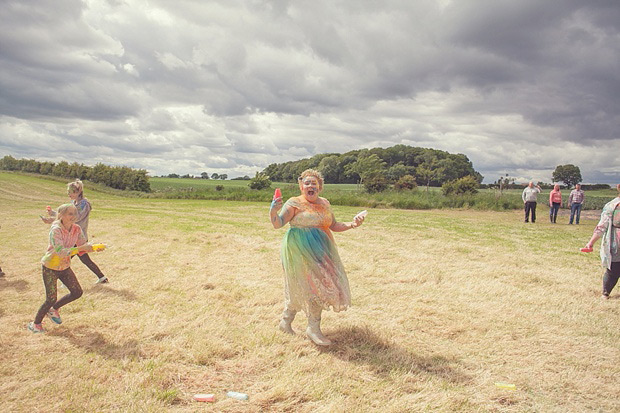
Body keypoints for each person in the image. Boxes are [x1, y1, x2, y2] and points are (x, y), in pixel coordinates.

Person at [269, 169, 365, 346]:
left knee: (317, 287)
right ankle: (313, 329)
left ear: (320, 187)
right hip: (298, 252)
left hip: (322, 251)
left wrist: (352, 224)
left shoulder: (325, 203)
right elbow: (278, 224)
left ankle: (285, 322)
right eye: (307, 183)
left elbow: (333, 224)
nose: (310, 185)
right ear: (301, 186)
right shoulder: (294, 203)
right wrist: (273, 211)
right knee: (311, 287)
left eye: (314, 183)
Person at [28, 203, 103, 333]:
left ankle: (54, 310)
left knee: (77, 292)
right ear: (61, 215)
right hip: (50, 267)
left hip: (64, 266)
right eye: (70, 214)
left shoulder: (76, 229)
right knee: (50, 298)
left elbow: (82, 245)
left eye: (75, 214)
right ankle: (35, 324)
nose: (73, 216)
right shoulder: (56, 229)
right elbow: (59, 251)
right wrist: (81, 248)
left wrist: (94, 248)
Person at [43, 179, 108, 283]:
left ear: (78, 192)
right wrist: (52, 214)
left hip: (78, 236)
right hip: (71, 236)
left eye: (71, 192)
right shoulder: (73, 203)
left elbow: (74, 218)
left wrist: (52, 217)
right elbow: (65, 215)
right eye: (68, 191)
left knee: (65, 257)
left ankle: (64, 280)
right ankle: (102, 277)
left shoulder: (84, 204)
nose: (68, 194)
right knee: (84, 259)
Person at [584, 184, 620, 300]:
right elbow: (601, 226)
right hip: (616, 242)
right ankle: (605, 293)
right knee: (613, 269)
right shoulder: (612, 206)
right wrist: (590, 243)